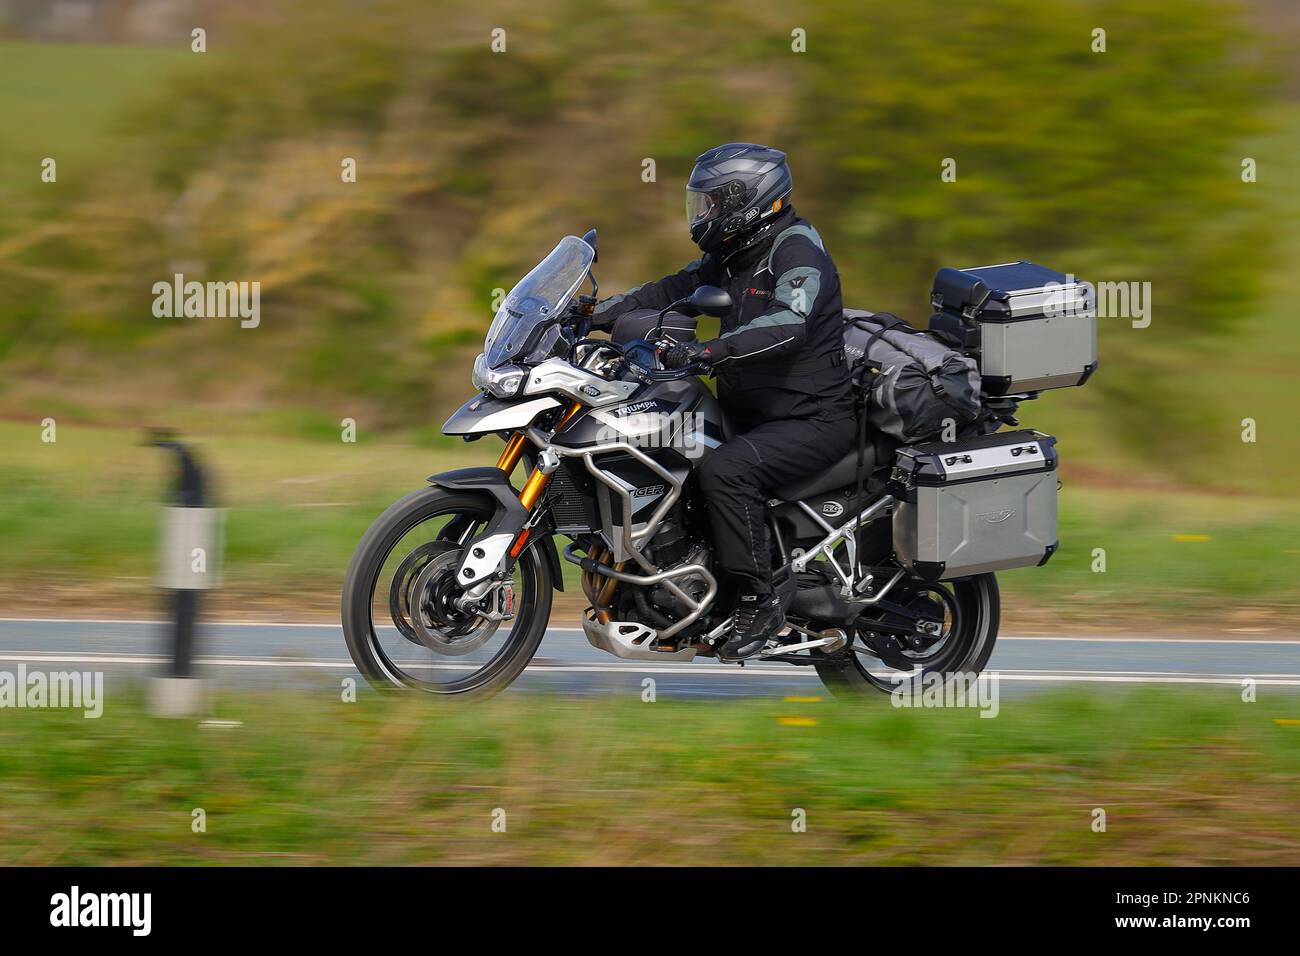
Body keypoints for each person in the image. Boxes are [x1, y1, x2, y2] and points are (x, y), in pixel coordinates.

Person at [590, 143, 856, 659]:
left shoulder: (796, 251)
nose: (703, 214)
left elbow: (788, 324)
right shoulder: (737, 252)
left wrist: (707, 351)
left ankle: (762, 601)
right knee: (667, 446)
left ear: (748, 200)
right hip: (754, 412)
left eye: (712, 203)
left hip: (812, 417)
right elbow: (674, 288)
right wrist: (590, 315)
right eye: (701, 203)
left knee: (727, 471)